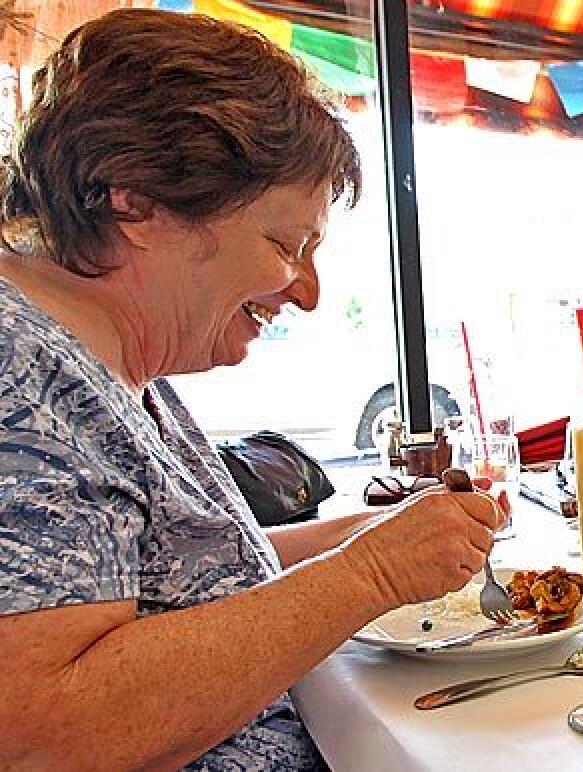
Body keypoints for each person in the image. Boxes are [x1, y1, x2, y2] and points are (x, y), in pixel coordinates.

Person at [0, 10, 501, 769]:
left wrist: (375, 534)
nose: (306, 292)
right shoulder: (19, 372)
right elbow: (41, 733)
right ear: (136, 199)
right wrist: (372, 572)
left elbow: (180, 588)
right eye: (284, 244)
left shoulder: (112, 368)